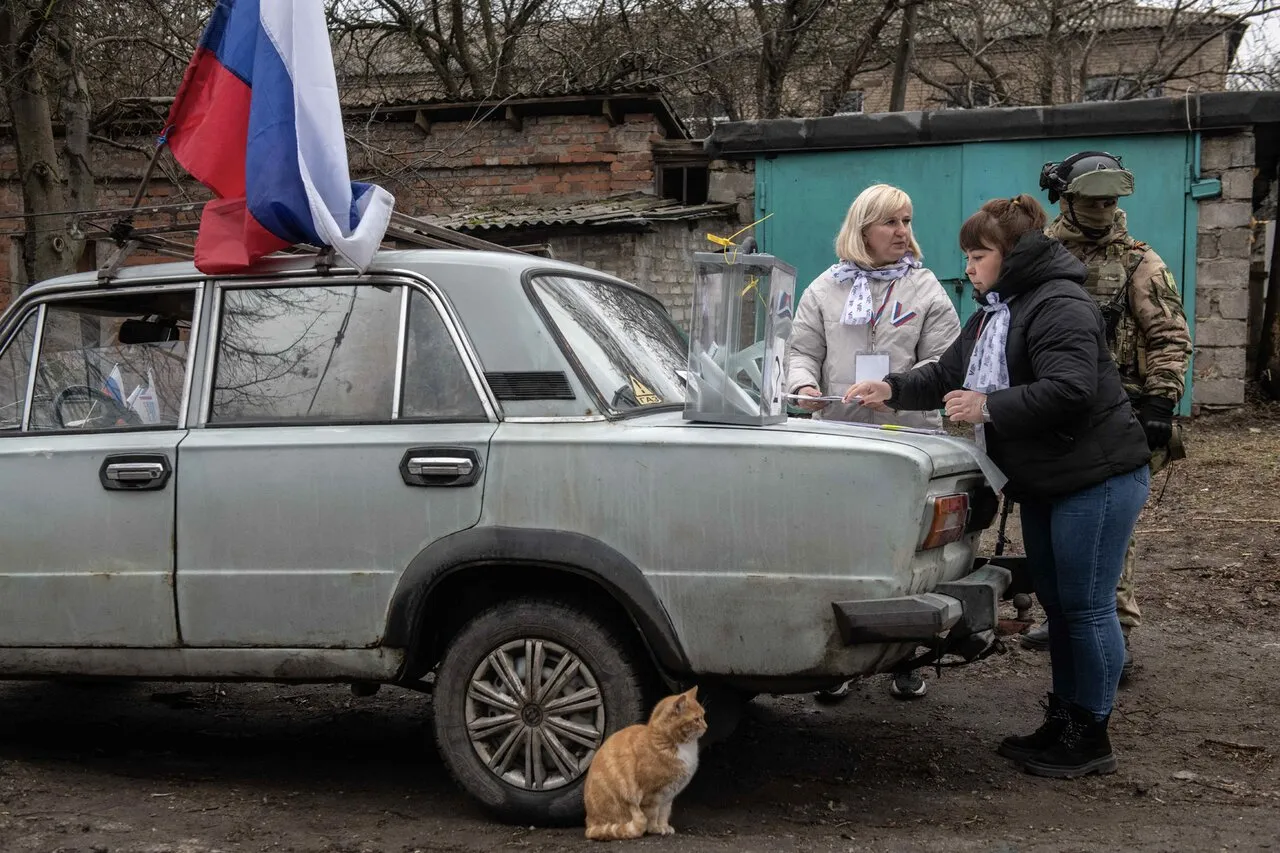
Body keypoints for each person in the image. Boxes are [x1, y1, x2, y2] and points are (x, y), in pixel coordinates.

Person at [846, 195, 1151, 778]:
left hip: (1096, 477)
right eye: (967, 255)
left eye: (979, 254)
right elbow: (946, 372)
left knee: (1086, 608)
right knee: (1061, 609)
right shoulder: (996, 310)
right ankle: (1064, 721)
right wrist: (890, 388)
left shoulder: (1060, 304)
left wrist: (989, 405)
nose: (971, 267)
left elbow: (1071, 389)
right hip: (1047, 480)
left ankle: (1090, 734)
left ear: (1012, 255)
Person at [1020, 151, 1193, 679]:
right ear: (1066, 198)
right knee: (1054, 516)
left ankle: (1111, 626)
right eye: (1091, 200)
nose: (1101, 210)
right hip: (1052, 410)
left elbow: (1169, 335)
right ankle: (1064, 619)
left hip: (1118, 415)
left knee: (1107, 528)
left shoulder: (1141, 262)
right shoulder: (1039, 255)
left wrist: (1161, 402)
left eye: (1110, 201)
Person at [786, 182, 961, 702]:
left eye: (907, 222)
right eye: (891, 223)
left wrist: (899, 393)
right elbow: (800, 352)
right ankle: (837, 661)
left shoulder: (926, 289)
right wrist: (803, 387)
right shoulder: (824, 289)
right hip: (838, 439)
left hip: (907, 441)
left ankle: (905, 658)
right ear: (862, 229)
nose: (903, 233)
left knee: (905, 553)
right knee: (838, 550)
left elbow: (945, 363)